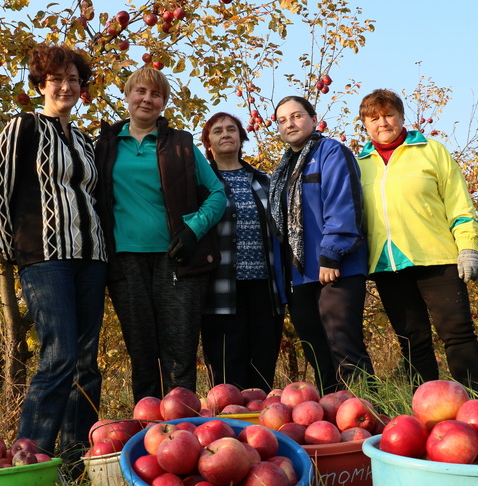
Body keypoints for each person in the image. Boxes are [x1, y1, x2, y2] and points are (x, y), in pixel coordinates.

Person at [0, 44, 108, 472]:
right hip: (45, 257)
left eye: (74, 80)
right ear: (41, 85)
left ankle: (76, 465)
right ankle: (28, 462)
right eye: (58, 80)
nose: (67, 86)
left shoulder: (86, 142)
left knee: (87, 363)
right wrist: (13, 250)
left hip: (91, 259)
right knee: (59, 356)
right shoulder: (23, 128)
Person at [95, 67, 226, 402]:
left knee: (179, 355)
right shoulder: (106, 147)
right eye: (140, 91)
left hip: (177, 262)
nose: (147, 99)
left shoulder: (180, 146)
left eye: (156, 94)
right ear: (126, 96)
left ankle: (182, 431)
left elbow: (217, 194)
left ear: (164, 102)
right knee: (142, 355)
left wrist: (193, 231)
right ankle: (147, 438)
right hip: (125, 262)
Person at [356, 88, 478, 399]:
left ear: (402, 116)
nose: (382, 122)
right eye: (373, 118)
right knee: (412, 340)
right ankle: (427, 410)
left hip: (437, 259)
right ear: (364, 124)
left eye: (388, 115)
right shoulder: (358, 163)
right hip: (387, 265)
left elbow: (459, 203)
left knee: (456, 333)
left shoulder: (432, 151)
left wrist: (468, 246)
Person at [269, 96, 375, 395]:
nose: (290, 123)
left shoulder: (331, 152)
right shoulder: (284, 168)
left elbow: (342, 203)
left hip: (335, 267)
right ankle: (332, 414)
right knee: (317, 353)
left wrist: (331, 255)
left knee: (344, 345)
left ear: (314, 119)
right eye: (282, 120)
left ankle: (366, 410)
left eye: (297, 115)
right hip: (300, 276)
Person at [199, 112, 285, 392]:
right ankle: (230, 428)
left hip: (264, 286)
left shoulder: (264, 181)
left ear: (241, 137)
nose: (226, 134)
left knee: (262, 361)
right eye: (218, 131)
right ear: (208, 143)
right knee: (227, 366)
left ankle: (262, 427)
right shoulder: (200, 184)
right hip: (219, 288)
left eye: (232, 129)